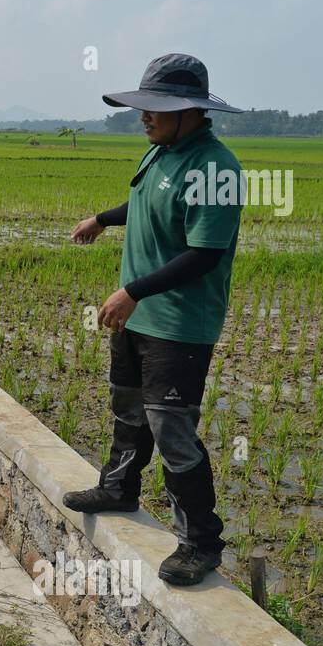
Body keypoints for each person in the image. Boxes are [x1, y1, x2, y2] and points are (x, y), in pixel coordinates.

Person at [64, 53, 245, 586]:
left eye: (156, 109)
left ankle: (200, 542)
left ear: (190, 112)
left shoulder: (216, 169)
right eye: (142, 107)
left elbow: (204, 253)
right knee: (127, 407)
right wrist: (102, 218)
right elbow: (145, 203)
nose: (144, 117)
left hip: (179, 324)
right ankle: (119, 488)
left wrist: (132, 292)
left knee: (173, 431)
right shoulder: (160, 153)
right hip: (138, 316)